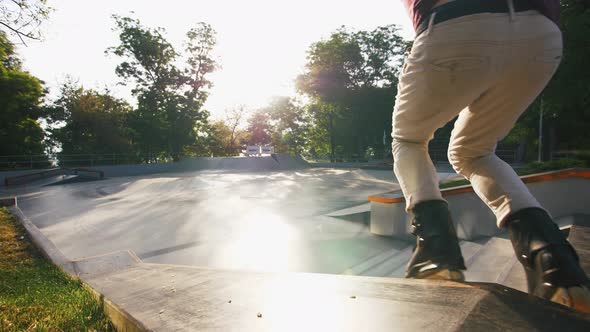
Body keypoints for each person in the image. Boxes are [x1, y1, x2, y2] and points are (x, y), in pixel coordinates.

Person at [394, 0, 590, 312]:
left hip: (455, 23)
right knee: (473, 151)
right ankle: (551, 257)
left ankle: (436, 249)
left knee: (409, 139)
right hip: (540, 32)